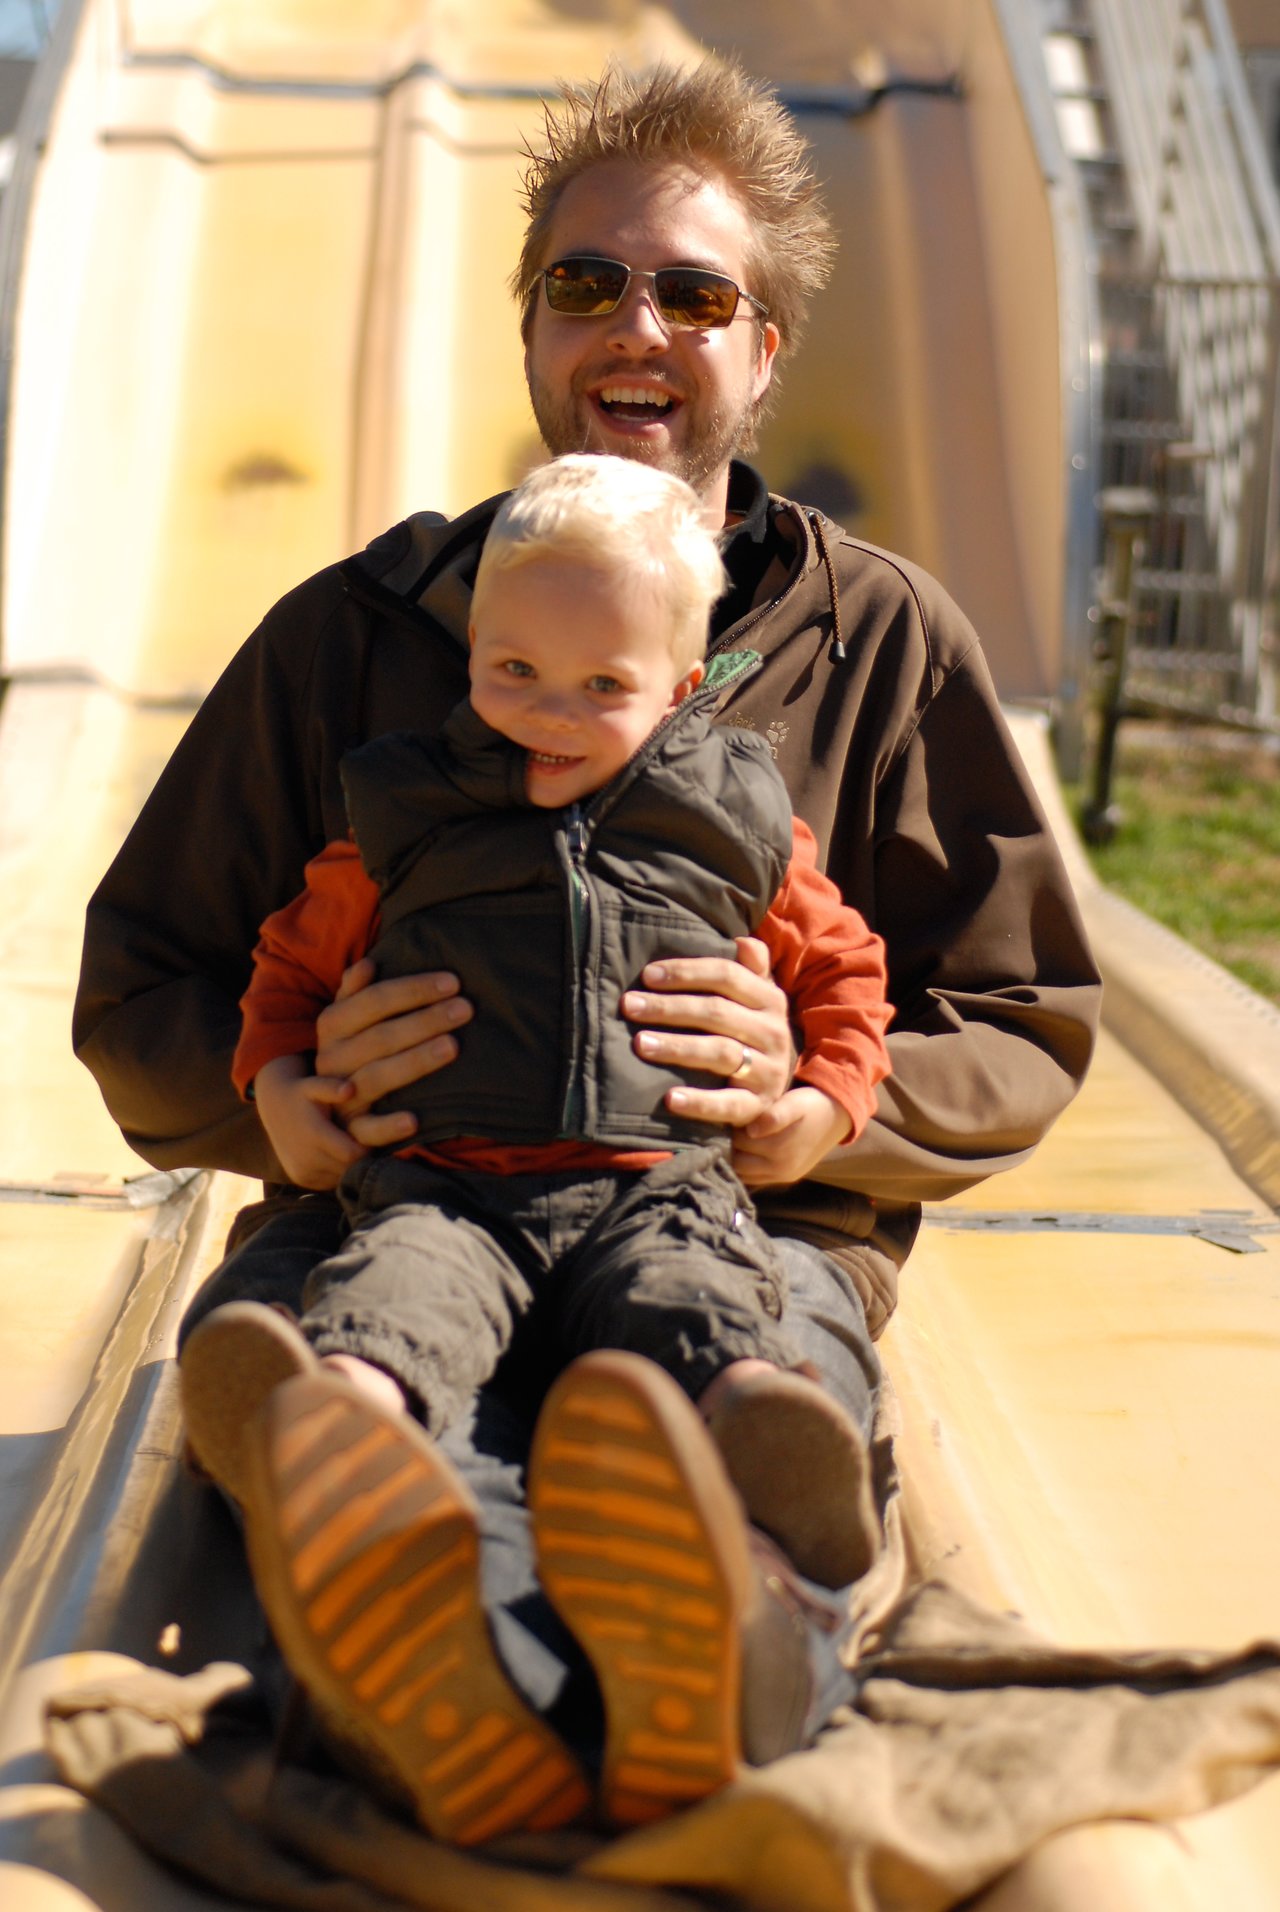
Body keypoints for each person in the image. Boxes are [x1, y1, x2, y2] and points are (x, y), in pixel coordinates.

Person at [73, 55, 1100, 1845]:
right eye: (587, 281)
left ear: (765, 347)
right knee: (322, 1385)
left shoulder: (877, 641)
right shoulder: (359, 635)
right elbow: (144, 976)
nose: (638, 324)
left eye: (695, 293)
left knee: (752, 1390)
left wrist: (821, 1101)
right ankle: (437, 1675)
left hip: (738, 1222)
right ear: (529, 321)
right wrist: (288, 1092)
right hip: (393, 1209)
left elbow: (1017, 1008)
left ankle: (699, 1668)